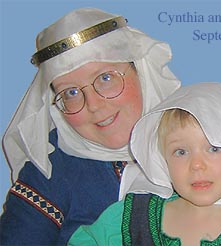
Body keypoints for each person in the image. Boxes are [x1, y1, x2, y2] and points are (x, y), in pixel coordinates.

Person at [0, 7, 180, 245]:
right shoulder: (51, 170)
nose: (93, 105)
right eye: (71, 92)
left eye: (106, 78)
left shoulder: (196, 142)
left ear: (141, 70)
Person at [69, 82, 221, 245]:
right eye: (181, 151)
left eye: (214, 148)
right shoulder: (128, 218)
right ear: (162, 159)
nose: (197, 165)